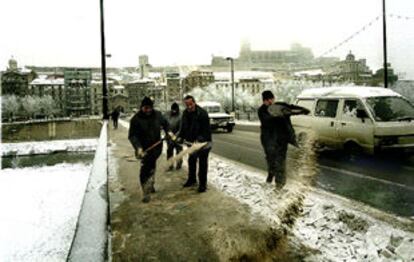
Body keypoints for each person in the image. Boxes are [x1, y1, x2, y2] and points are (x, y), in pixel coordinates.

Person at [258, 90, 310, 189]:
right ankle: (271, 174)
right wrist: (278, 115)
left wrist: (302, 110)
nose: (270, 102)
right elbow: (267, 121)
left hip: (282, 139)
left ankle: (279, 186)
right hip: (269, 140)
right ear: (264, 101)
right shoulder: (262, 111)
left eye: (271, 99)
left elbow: (291, 108)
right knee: (272, 161)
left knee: (280, 162)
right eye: (267, 100)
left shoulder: (280, 106)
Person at [128, 97, 174, 203]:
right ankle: (146, 190)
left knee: (152, 164)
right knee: (145, 168)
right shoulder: (135, 119)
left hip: (156, 147)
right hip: (143, 149)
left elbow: (166, 124)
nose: (148, 110)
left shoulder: (157, 115)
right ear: (142, 107)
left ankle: (151, 183)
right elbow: (132, 136)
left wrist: (169, 132)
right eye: (146, 108)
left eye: (150, 108)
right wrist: (138, 148)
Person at [177, 95, 212, 193]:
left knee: (202, 164)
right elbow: (183, 128)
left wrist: (199, 139)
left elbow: (206, 130)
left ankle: (202, 185)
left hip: (204, 143)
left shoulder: (202, 113)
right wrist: (181, 137)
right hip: (191, 143)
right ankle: (192, 180)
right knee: (191, 161)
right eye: (187, 105)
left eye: (190, 104)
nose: (189, 107)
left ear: (194, 102)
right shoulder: (185, 113)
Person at [165, 102, 183, 170]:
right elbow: (165, 125)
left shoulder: (181, 116)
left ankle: (179, 164)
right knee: (169, 151)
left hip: (178, 137)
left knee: (179, 151)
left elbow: (181, 128)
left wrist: (175, 137)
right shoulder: (167, 115)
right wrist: (169, 134)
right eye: (172, 110)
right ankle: (170, 165)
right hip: (169, 137)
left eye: (175, 110)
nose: (174, 111)